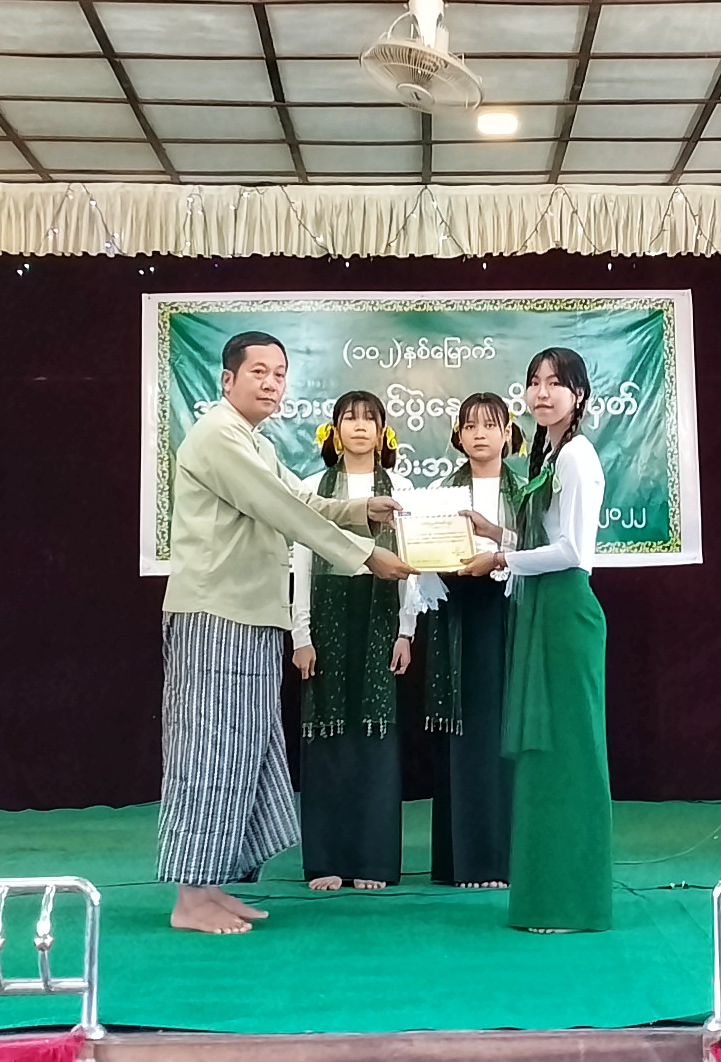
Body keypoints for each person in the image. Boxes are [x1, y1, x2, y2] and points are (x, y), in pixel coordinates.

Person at [159, 332, 416, 935]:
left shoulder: (254, 441)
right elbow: (284, 510)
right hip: (215, 615)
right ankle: (189, 898)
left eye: (279, 373)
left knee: (244, 750)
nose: (272, 383)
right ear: (227, 380)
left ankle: (212, 884)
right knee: (208, 751)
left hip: (251, 617)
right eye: (259, 372)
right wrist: (365, 553)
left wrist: (361, 510)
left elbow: (298, 495)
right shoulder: (218, 435)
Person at [458, 348, 611, 932]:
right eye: (534, 383)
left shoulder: (577, 455)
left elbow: (572, 550)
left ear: (579, 394)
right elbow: (542, 536)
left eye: (556, 383)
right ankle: (545, 894)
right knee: (543, 758)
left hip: (566, 610)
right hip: (541, 608)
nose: (542, 393)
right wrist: (496, 532)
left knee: (569, 754)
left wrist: (501, 558)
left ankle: (573, 902)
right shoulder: (549, 453)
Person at [289, 392, 426, 891]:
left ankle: (373, 861)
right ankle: (326, 860)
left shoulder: (402, 490)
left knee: (375, 738)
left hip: (379, 616)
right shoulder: (312, 488)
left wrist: (406, 631)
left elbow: (412, 566)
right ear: (335, 430)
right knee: (326, 738)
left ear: (384, 431)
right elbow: (301, 563)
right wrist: (301, 634)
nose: (360, 426)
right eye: (350, 418)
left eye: (370, 418)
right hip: (327, 619)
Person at [423, 393, 523, 889]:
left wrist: (501, 546)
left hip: (510, 614)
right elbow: (423, 560)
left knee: (507, 732)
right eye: (470, 426)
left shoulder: (528, 493)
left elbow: (543, 548)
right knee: (464, 735)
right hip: (457, 617)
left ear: (508, 434)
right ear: (458, 436)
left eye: (490, 425)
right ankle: (463, 862)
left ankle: (507, 859)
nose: (480, 434)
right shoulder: (439, 494)